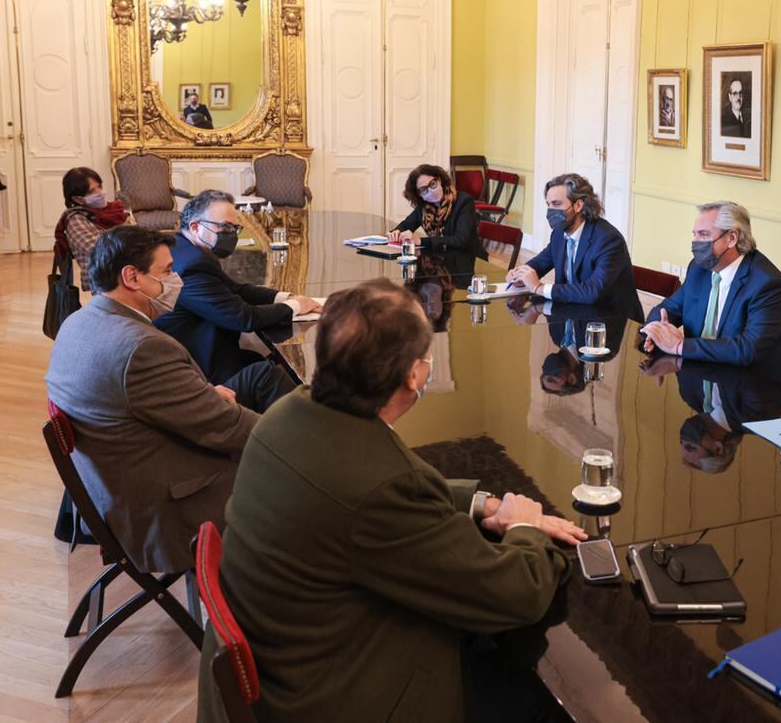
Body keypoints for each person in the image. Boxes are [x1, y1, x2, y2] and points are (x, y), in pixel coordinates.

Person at [196, 280, 585, 722]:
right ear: (415, 375)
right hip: (329, 695)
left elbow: (375, 494)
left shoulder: (287, 414)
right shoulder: (382, 489)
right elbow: (516, 594)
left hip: (285, 665)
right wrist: (525, 528)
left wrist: (485, 505)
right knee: (516, 676)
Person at [45, 226, 260, 573]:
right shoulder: (141, 347)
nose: (176, 280)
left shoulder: (79, 322)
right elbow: (229, 428)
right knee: (291, 477)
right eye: (167, 271)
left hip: (115, 490)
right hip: (164, 512)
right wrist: (292, 440)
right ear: (132, 277)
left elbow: (138, 400)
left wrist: (202, 396)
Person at [153, 190, 314, 401]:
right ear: (195, 226)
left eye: (235, 228)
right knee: (271, 373)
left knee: (268, 362)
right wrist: (295, 307)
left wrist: (287, 297)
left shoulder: (186, 248)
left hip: (210, 352)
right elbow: (242, 318)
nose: (232, 235)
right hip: (202, 371)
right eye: (225, 227)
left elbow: (236, 289)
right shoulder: (192, 266)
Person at [640, 201, 781, 390]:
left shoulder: (767, 284)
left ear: (731, 238)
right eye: (694, 234)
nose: (696, 243)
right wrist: (656, 332)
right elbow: (667, 309)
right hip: (707, 375)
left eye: (704, 235)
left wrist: (679, 346)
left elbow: (747, 349)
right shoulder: (699, 269)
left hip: (761, 387)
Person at [506, 173, 644, 322]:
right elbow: (541, 261)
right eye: (548, 205)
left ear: (578, 205)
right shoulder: (559, 233)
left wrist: (539, 288)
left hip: (609, 322)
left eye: (556, 204)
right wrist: (520, 274)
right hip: (571, 317)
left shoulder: (608, 239)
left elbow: (593, 291)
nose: (550, 211)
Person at [672, 360, 781, 474]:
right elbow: (743, 370)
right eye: (690, 446)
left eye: (681, 441)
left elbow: (680, 356)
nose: (684, 437)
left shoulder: (691, 396)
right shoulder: (756, 418)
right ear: (717, 448)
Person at [53, 167, 131, 291]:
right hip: (105, 278)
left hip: (130, 269)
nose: (99, 193)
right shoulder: (75, 219)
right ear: (77, 199)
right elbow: (98, 249)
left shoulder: (115, 210)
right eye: (91, 191)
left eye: (99, 187)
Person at [387, 164, 486, 258]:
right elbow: (407, 224)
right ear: (419, 195)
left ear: (439, 180)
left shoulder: (464, 201)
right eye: (423, 190)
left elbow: (460, 240)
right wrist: (396, 232)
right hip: (440, 258)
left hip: (467, 259)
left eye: (432, 184)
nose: (431, 191)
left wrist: (420, 241)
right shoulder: (424, 207)